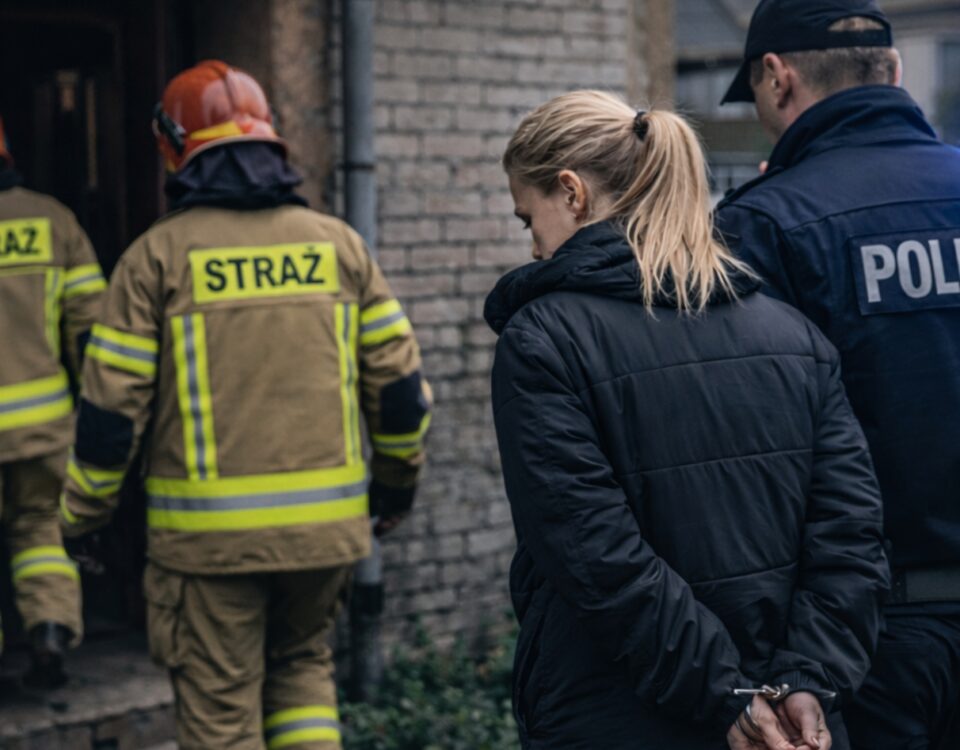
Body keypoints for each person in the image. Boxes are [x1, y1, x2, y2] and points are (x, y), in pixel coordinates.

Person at [484, 90, 890, 750]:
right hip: (796, 729)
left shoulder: (544, 340)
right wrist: (804, 682)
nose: (533, 249)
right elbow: (851, 537)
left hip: (619, 715)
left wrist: (729, 696)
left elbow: (596, 557)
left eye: (528, 220)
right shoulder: (794, 334)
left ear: (572, 192)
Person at [59, 60, 431, 750]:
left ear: (174, 147)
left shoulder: (154, 260)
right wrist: (394, 487)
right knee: (302, 676)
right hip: (326, 539)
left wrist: (84, 517)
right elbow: (401, 393)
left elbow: (111, 415)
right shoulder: (341, 247)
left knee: (222, 717)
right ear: (270, 141)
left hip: (207, 553)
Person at [714, 1, 960, 747]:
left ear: (777, 78)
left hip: (866, 640)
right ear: (894, 71)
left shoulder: (762, 224)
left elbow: (750, 466)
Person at [0, 116, 105, 686]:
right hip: (44, 427)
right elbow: (91, 330)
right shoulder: (53, 220)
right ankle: (49, 631)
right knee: (40, 529)